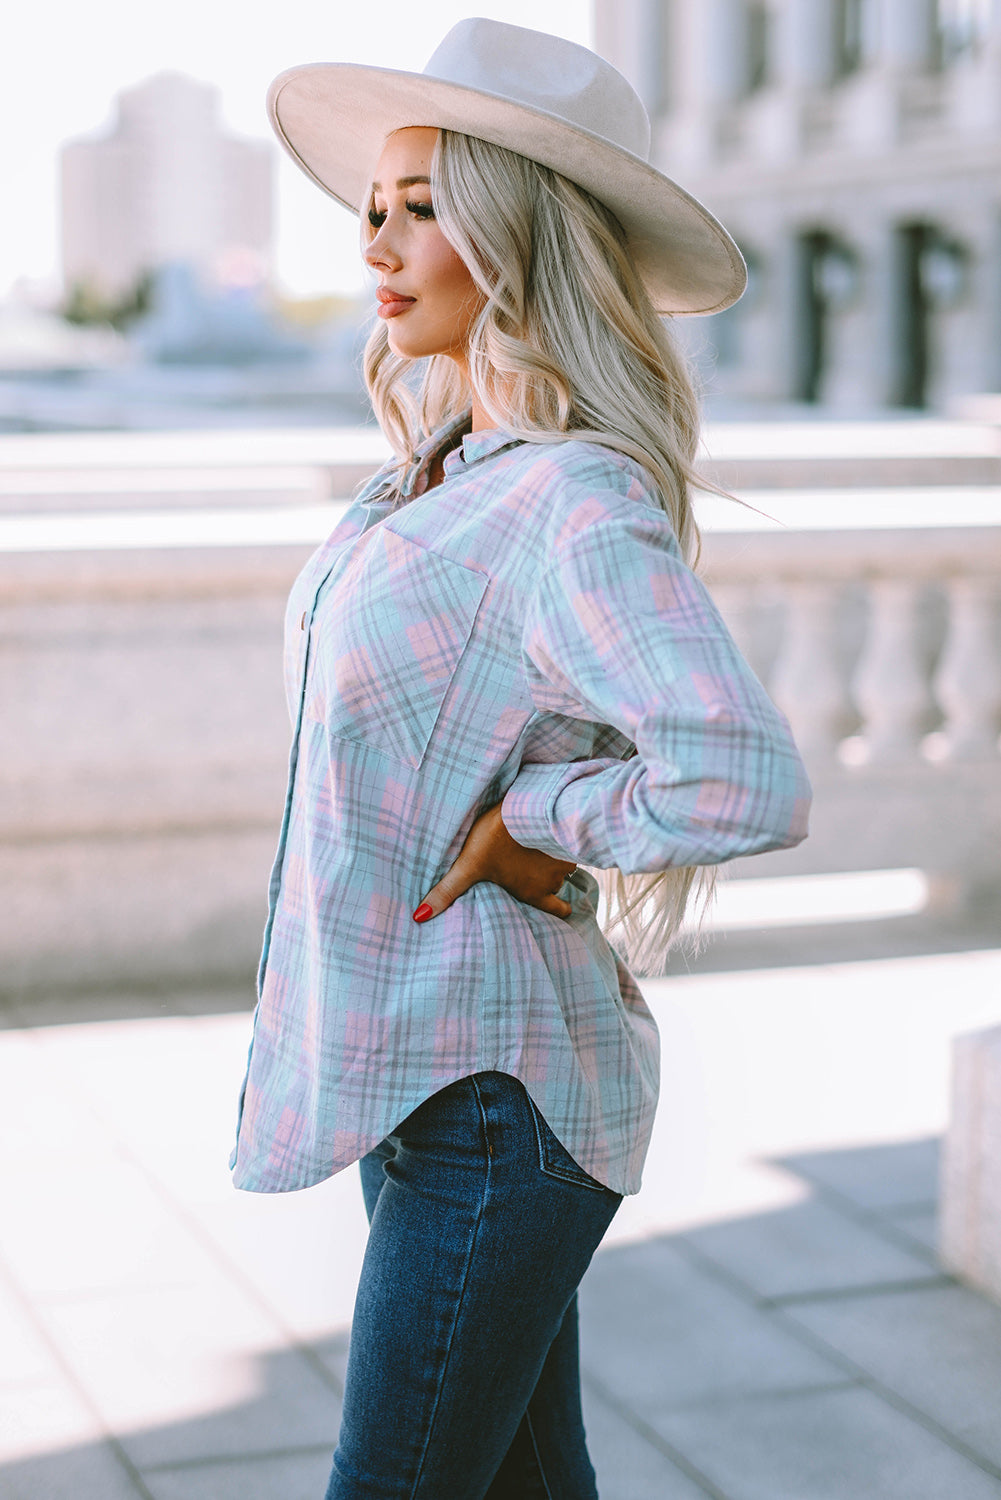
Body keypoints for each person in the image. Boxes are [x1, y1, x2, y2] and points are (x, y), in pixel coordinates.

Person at [231, 18, 812, 1499]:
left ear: (516, 230)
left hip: (497, 1104)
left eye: (425, 206)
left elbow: (741, 775)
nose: (381, 240)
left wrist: (537, 817)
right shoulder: (434, 475)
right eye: (374, 206)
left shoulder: (565, 502)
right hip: (418, 1082)